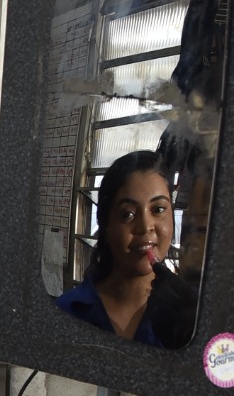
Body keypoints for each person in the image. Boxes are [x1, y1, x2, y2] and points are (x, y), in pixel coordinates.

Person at [54, 149, 197, 347]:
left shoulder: (195, 312)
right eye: (128, 214)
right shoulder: (67, 311)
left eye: (158, 209)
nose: (145, 226)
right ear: (106, 226)